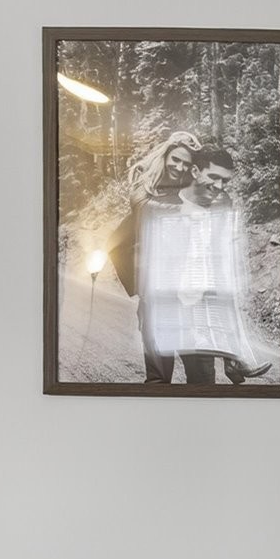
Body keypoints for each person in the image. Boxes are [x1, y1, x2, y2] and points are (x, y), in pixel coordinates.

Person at [140, 147, 271, 384]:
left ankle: (233, 360)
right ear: (195, 171)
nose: (219, 186)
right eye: (214, 177)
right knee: (158, 382)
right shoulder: (160, 203)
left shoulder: (223, 204)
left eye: (225, 181)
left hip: (199, 309)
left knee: (203, 384)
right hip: (162, 306)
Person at [110, 131, 201, 382]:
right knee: (159, 376)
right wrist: (140, 287)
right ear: (165, 156)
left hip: (188, 296)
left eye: (186, 163)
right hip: (157, 294)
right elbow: (119, 242)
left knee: (202, 375)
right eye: (176, 159)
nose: (180, 167)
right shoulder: (145, 190)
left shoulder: (192, 190)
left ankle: (234, 366)